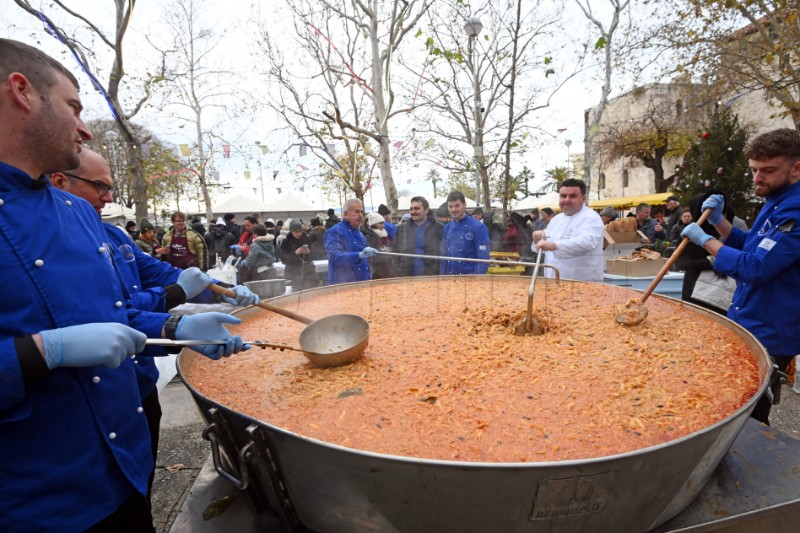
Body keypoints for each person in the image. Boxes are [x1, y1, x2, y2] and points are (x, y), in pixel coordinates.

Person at [0, 39, 247, 532]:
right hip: (33, 502)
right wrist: (39, 352)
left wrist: (180, 327)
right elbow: (68, 341)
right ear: (22, 91)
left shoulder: (78, 214)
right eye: (73, 107)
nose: (85, 127)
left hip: (123, 473)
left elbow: (114, 318)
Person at [49, 148, 258, 502]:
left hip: (141, 384)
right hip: (96, 390)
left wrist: (219, 290)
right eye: (100, 187)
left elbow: (165, 275)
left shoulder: (114, 237)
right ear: (60, 182)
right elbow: (117, 311)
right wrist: (176, 313)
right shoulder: (56, 244)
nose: (110, 197)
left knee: (142, 476)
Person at [680, 128, 800, 425]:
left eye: (768, 170)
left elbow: (757, 267)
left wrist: (705, 241)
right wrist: (720, 223)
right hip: (750, 318)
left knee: (748, 418)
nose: (758, 178)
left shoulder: (795, 208)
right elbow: (751, 246)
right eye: (754, 170)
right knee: (730, 402)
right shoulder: (776, 200)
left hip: (771, 329)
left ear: (797, 168)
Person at [532, 178, 605, 282]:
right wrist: (537, 239)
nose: (566, 200)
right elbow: (544, 243)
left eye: (572, 196)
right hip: (552, 283)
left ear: (583, 198)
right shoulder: (556, 220)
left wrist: (555, 245)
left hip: (583, 285)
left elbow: (585, 242)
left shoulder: (591, 218)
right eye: (563, 196)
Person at [325, 199, 376, 284]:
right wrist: (359, 255)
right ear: (346, 214)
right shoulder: (334, 232)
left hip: (364, 283)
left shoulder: (360, 234)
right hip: (343, 285)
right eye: (356, 212)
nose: (360, 215)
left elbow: (365, 262)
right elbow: (334, 257)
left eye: (361, 212)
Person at [440, 191, 491, 275]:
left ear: (464, 205)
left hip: (469, 280)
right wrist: (442, 276)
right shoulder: (447, 228)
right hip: (449, 279)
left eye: (457, 206)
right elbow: (443, 256)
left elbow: (483, 259)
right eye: (450, 206)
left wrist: (475, 281)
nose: (453, 209)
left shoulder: (478, 227)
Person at [392, 196, 444, 277]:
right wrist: (399, 271)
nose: (413, 211)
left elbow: (444, 253)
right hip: (407, 278)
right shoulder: (401, 229)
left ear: (426, 210)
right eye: (411, 209)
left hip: (432, 277)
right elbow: (394, 253)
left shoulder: (439, 228)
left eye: (416, 208)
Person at [280, 220, 317, 291]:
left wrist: (309, 252)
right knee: (296, 295)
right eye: (296, 232)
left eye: (300, 231)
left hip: (308, 272)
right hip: (294, 274)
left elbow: (315, 254)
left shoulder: (307, 239)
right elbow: (283, 259)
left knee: (310, 294)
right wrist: (295, 253)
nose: (298, 234)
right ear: (291, 231)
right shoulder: (286, 242)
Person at [362, 212, 396, 279]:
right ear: (373, 224)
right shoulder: (369, 237)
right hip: (377, 271)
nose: (383, 225)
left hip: (389, 268)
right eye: (380, 223)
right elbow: (371, 256)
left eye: (383, 223)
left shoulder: (386, 234)